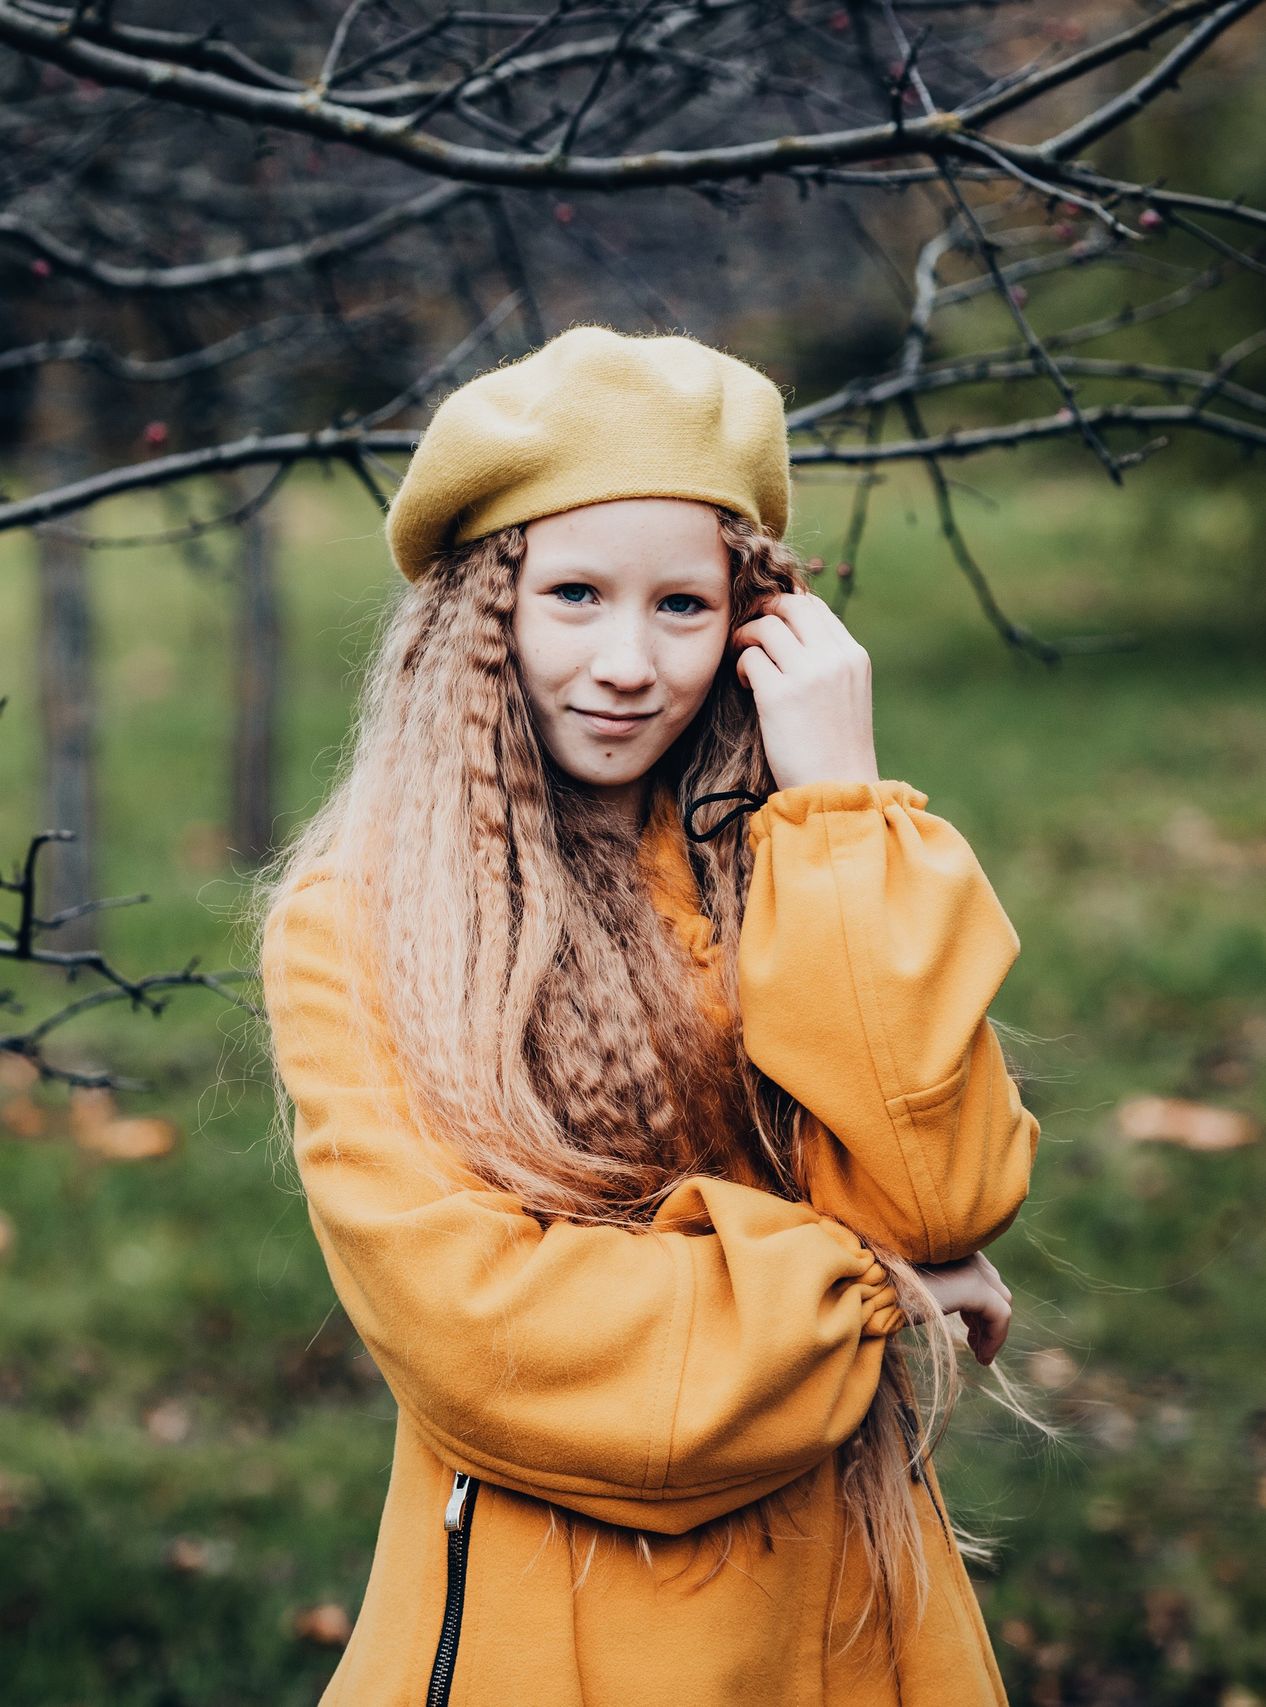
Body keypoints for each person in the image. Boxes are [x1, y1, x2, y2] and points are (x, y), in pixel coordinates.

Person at [261, 326, 1039, 1707]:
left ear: (755, 623)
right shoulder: (362, 920)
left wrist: (839, 807)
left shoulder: (796, 861)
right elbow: (482, 1335)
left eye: (681, 606)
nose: (629, 662)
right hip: (557, 1633)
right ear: (481, 617)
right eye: (574, 593)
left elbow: (942, 1193)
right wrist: (866, 1293)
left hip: (856, 1622)